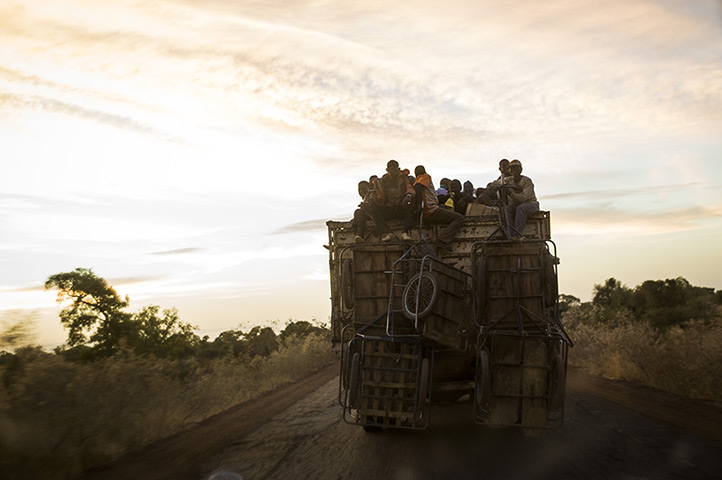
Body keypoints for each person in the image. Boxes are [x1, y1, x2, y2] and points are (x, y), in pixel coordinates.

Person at [413, 165, 464, 251]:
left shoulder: (415, 182)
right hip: (431, 210)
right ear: (424, 172)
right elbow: (418, 186)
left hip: (427, 212)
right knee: (459, 218)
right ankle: (442, 240)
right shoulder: (425, 177)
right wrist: (419, 204)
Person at [489, 159, 539, 239]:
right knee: (505, 210)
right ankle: (510, 235)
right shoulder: (509, 180)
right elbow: (496, 182)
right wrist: (498, 186)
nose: (514, 170)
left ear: (521, 169)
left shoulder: (527, 181)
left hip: (530, 204)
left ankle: (517, 235)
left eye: (516, 168)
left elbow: (523, 198)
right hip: (515, 205)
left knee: (521, 208)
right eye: (512, 168)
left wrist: (511, 193)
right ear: (509, 170)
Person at [368, 160, 415, 242]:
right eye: (390, 167)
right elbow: (376, 194)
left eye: (394, 167)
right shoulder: (382, 181)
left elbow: (410, 189)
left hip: (401, 208)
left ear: (398, 168)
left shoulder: (405, 178)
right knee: (372, 207)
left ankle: (405, 232)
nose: (392, 169)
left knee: (410, 203)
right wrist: (372, 200)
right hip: (388, 208)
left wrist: (408, 195)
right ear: (387, 170)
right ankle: (388, 232)